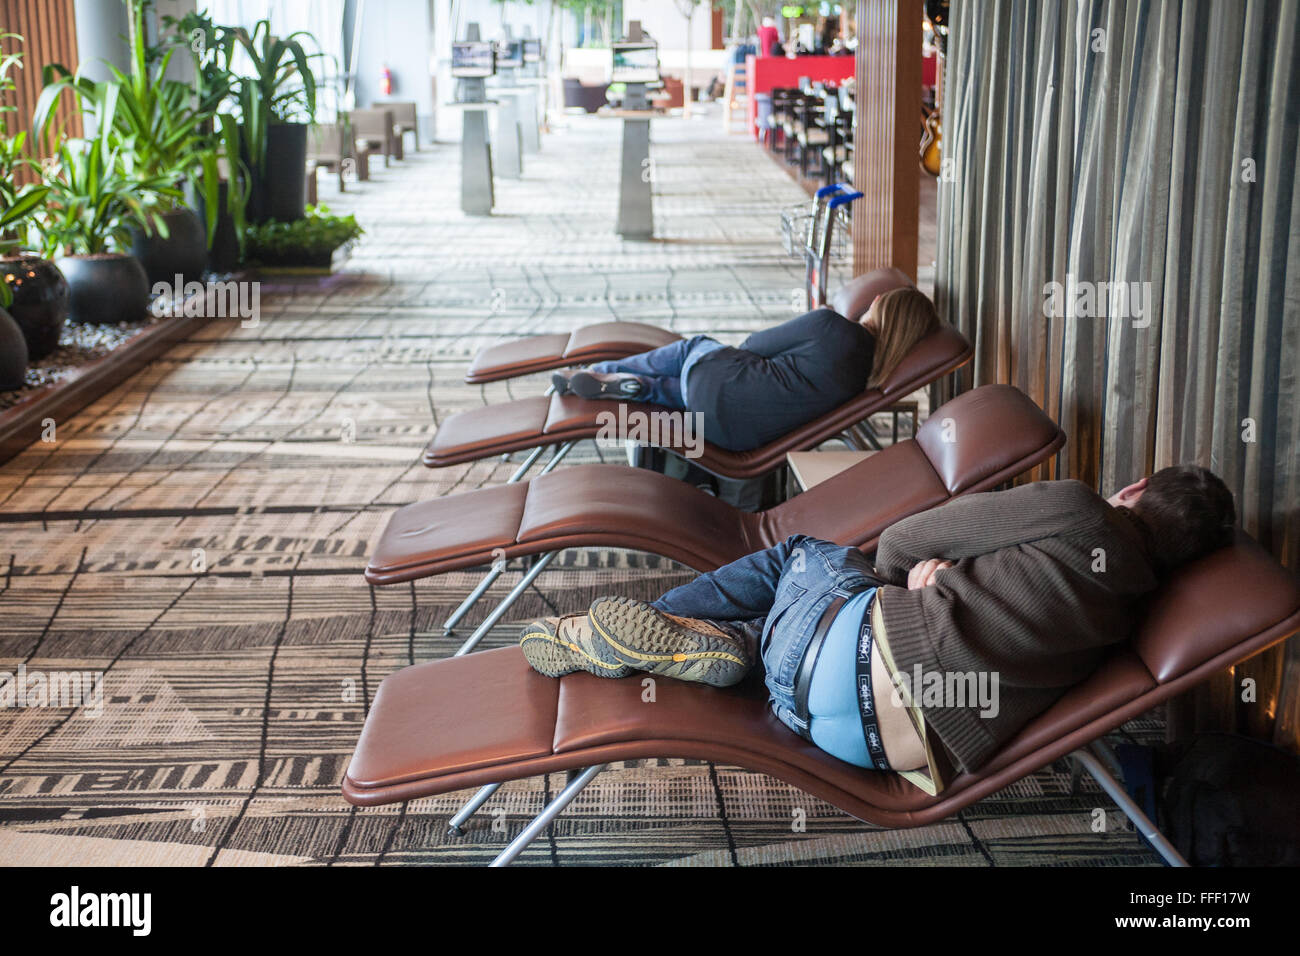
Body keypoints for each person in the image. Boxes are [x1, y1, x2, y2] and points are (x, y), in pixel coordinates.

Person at [520, 465, 1237, 794]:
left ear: (1136, 490)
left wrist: (924, 578)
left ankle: (656, 624)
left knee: (806, 556)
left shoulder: (1083, 511)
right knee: (813, 602)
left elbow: (902, 540)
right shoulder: (1129, 618)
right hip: (871, 748)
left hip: (846, 650)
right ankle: (730, 644)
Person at [550, 288, 940, 451]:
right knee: (700, 393)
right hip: (730, 437)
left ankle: (604, 372)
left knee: (694, 347)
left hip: (716, 378)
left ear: (882, 309)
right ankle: (646, 388)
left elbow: (754, 344)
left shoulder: (831, 324)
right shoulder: (867, 382)